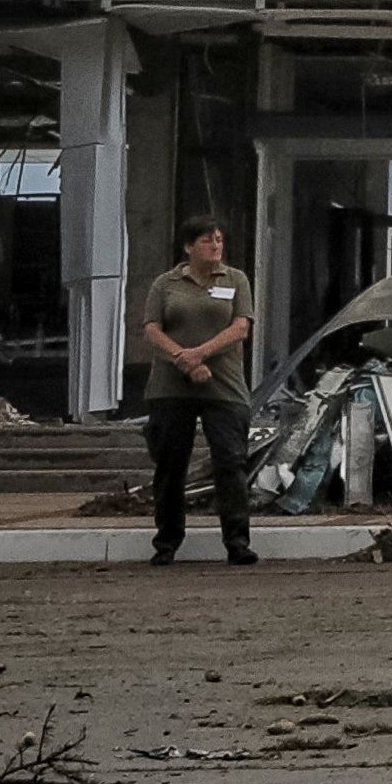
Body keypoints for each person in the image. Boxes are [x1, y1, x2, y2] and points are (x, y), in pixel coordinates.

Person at [132, 216, 257, 565]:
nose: (215, 246)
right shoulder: (166, 284)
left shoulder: (235, 280)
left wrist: (200, 354)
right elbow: (152, 329)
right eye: (206, 241)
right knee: (171, 464)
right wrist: (182, 359)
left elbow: (240, 327)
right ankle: (167, 541)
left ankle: (237, 541)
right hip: (171, 387)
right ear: (188, 247)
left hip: (224, 385)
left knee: (231, 461)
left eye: (218, 240)